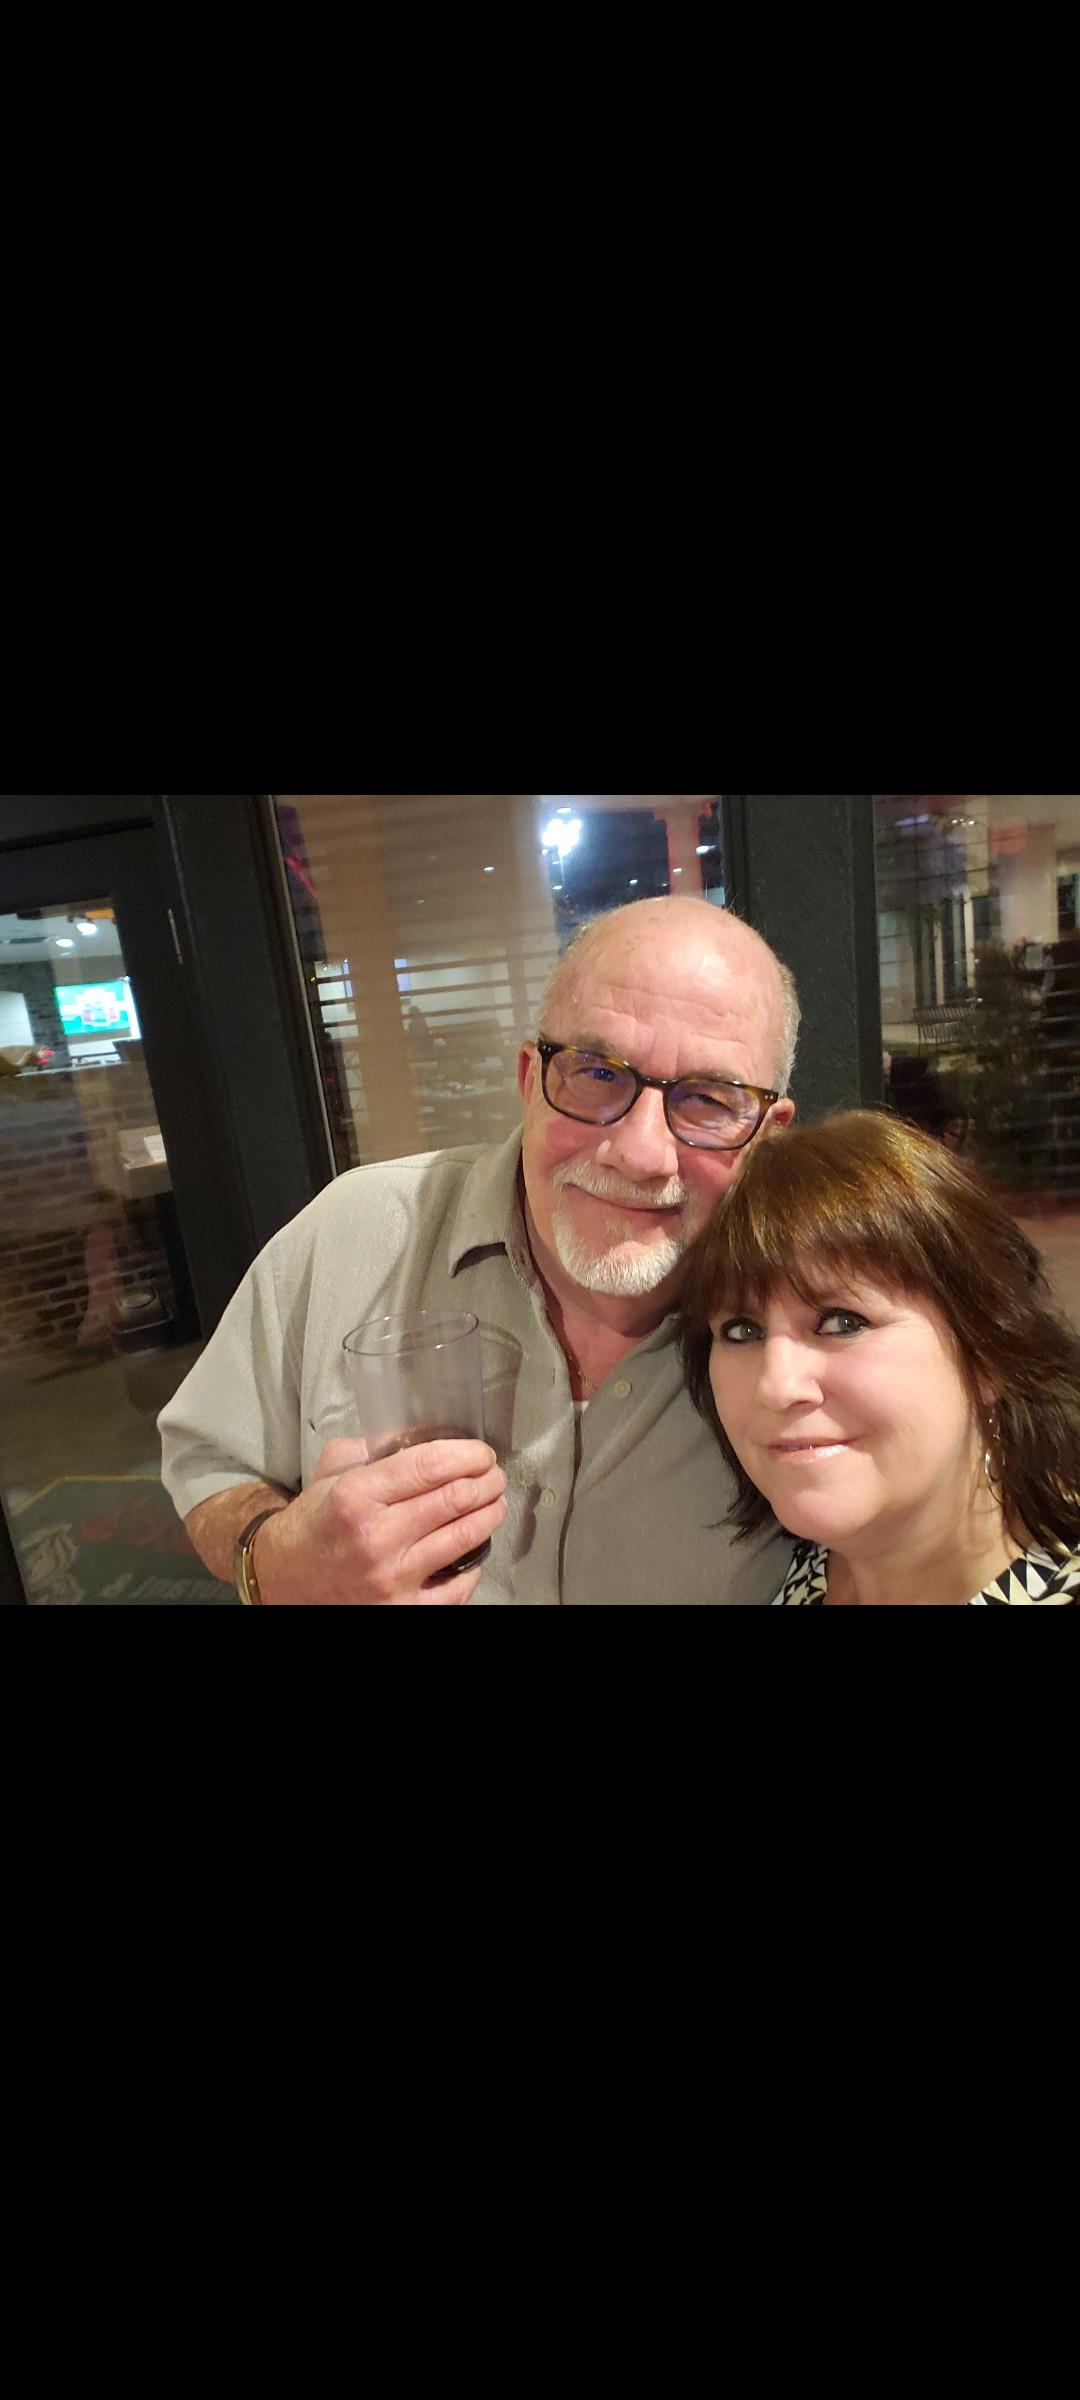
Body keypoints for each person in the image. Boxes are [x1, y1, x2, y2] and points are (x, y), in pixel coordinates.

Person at [159, 895, 798, 1604]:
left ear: (768, 1133)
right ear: (529, 1081)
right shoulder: (349, 1233)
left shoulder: (821, 1329)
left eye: (708, 1099)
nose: (641, 1154)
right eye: (598, 1073)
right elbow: (210, 1463)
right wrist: (275, 1559)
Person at [681, 1110, 1080, 1605]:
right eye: (742, 1331)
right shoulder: (774, 1572)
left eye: (843, 1323)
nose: (776, 1386)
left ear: (986, 1354)